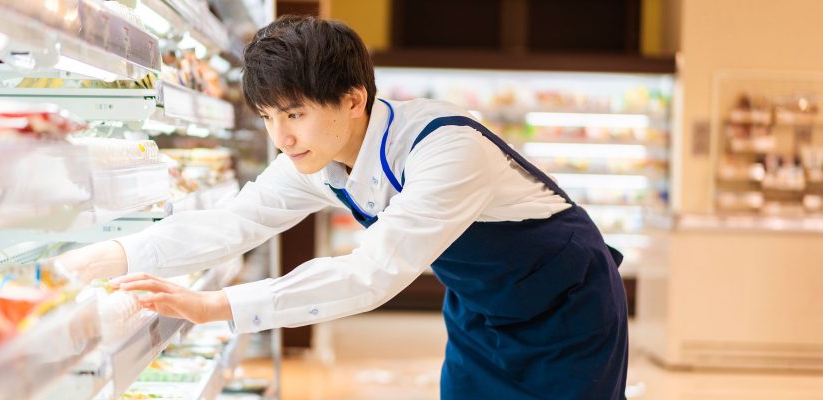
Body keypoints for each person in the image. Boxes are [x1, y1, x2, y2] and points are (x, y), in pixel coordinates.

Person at [56, 15, 629, 399]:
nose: (281, 136)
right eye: (268, 118)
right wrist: (110, 256)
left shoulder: (448, 146)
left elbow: (371, 273)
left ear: (354, 100)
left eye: (294, 113)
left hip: (565, 305)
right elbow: (235, 221)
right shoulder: (317, 159)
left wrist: (216, 304)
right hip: (482, 309)